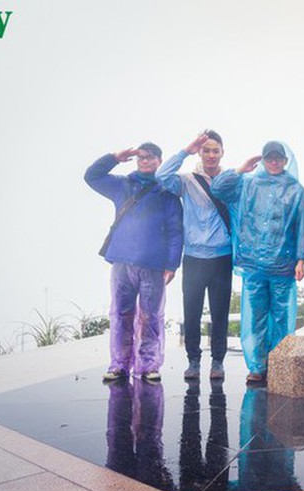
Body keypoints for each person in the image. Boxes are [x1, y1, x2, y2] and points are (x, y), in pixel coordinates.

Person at [211, 141, 304, 383]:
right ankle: (257, 367)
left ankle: (278, 363)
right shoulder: (248, 184)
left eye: (278, 158)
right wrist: (241, 169)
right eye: (270, 158)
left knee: (281, 317)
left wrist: (302, 259)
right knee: (254, 317)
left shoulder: (296, 190)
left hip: (283, 264)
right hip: (253, 264)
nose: (274, 162)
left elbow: (303, 227)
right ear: (263, 159)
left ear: (286, 160)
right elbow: (218, 189)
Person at [85, 143, 183, 382]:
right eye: (141, 158)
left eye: (150, 158)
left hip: (154, 265)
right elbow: (91, 176)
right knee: (120, 314)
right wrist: (115, 157)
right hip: (122, 262)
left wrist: (172, 264)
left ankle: (148, 365)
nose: (145, 161)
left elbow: (175, 230)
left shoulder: (167, 192)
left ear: (160, 160)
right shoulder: (122, 185)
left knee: (151, 316)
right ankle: (118, 364)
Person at [157, 131, 232, 380]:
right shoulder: (187, 181)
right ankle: (193, 360)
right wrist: (185, 151)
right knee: (192, 311)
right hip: (194, 257)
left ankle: (218, 361)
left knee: (220, 312)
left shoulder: (230, 181)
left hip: (222, 256)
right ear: (200, 152)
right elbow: (161, 176)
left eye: (215, 150)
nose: (211, 155)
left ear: (222, 152)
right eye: (206, 150)